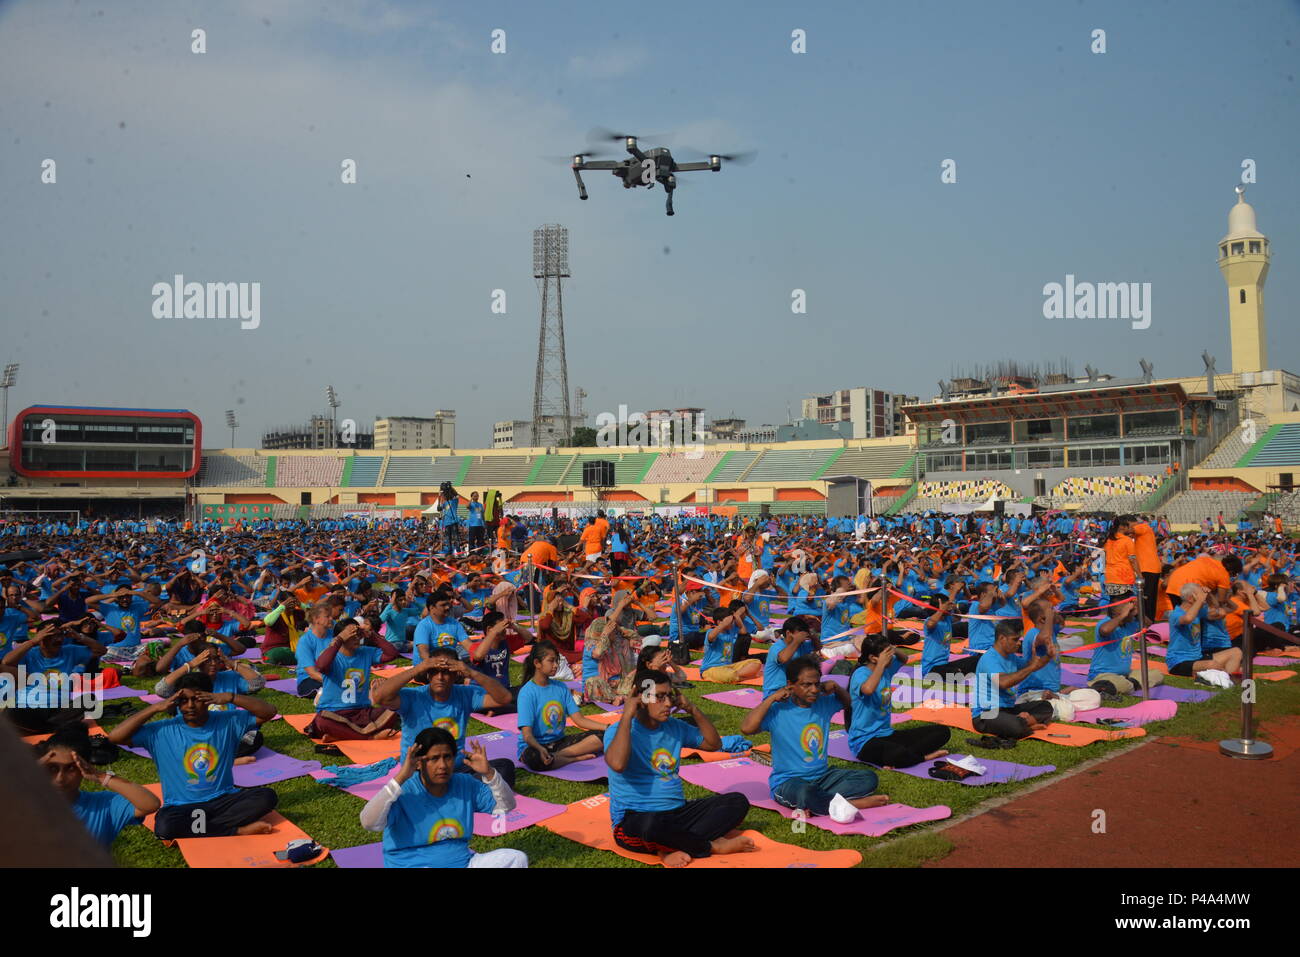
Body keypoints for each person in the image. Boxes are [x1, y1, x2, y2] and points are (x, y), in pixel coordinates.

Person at [604, 669, 753, 867]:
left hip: (677, 813)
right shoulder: (618, 730)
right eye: (659, 697)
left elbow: (714, 745)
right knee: (651, 826)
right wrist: (627, 716)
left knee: (736, 802)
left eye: (669, 696)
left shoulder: (674, 726)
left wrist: (693, 709)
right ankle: (708, 846)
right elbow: (618, 764)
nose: (667, 703)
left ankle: (672, 844)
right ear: (639, 698)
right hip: (636, 818)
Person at [107, 672, 280, 839]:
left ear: (208, 699)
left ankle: (205, 827)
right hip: (182, 806)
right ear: (176, 702)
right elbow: (115, 737)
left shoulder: (228, 720)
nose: (190, 705)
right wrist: (155, 708)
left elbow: (269, 711)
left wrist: (230, 697)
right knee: (165, 828)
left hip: (223, 799)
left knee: (266, 797)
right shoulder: (160, 730)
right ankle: (237, 830)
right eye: (183, 700)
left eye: (196, 699)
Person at [741, 655, 888, 821]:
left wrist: (837, 688)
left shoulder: (822, 703)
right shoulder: (778, 710)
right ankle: (854, 803)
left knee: (868, 778)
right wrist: (771, 698)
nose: (814, 690)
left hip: (823, 777)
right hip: (789, 782)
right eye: (806, 685)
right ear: (790, 685)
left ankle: (822, 802)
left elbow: (849, 703)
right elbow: (747, 728)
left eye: (817, 684)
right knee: (805, 792)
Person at [360, 728, 526, 868]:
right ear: (418, 762)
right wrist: (401, 777)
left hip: (463, 863)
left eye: (447, 757)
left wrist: (489, 773)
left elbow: (505, 806)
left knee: (516, 858)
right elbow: (369, 822)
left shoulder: (464, 784)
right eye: (434, 759)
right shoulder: (403, 791)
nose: (442, 765)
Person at [371, 646, 516, 788]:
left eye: (446, 672)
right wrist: (418, 668)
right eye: (434, 671)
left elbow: (504, 698)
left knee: (505, 767)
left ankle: (451, 788)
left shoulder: (465, 694)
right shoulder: (413, 697)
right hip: (421, 770)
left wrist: (472, 673)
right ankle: (458, 788)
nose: (440, 677)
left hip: (456, 767)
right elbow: (379, 697)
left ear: (456, 675)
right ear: (428, 674)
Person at [33, 724, 160, 848]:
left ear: (85, 768)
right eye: (53, 768)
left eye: (71, 768)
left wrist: (101, 776)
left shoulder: (104, 805)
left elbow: (151, 804)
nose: (60, 778)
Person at [847, 635, 950, 768]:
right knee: (895, 752)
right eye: (887, 654)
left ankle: (901, 757)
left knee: (942, 732)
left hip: (887, 734)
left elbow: (904, 658)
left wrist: (891, 649)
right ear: (873, 658)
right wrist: (881, 664)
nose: (891, 656)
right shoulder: (861, 673)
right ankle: (922, 757)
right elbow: (868, 689)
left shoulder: (885, 670)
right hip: (864, 741)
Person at [516, 641, 606, 770]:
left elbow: (579, 720)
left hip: (559, 743)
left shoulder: (561, 687)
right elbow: (527, 735)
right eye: (551, 661)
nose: (556, 665)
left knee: (605, 736)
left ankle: (557, 757)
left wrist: (608, 727)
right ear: (537, 663)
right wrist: (540, 748)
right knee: (536, 758)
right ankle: (573, 758)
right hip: (534, 746)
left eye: (557, 661)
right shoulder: (527, 693)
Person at [307, 620, 400, 740]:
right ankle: (370, 737)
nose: (356, 638)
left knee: (395, 706)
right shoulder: (330, 654)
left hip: (362, 711)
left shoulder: (365, 651)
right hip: (334, 712)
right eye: (351, 635)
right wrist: (339, 639)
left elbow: (392, 654)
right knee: (322, 721)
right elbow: (321, 666)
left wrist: (372, 635)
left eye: (358, 634)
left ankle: (341, 735)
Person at [969, 620, 1054, 742]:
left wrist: (1048, 656)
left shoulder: (1011, 657)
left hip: (1008, 710)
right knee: (1016, 726)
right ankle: (1024, 723)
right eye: (1015, 639)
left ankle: (1024, 722)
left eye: (1019, 639)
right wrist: (1031, 667)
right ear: (1002, 638)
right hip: (986, 714)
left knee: (1046, 706)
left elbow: (1031, 665)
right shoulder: (989, 659)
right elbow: (1003, 683)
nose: (1019, 643)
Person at [1166, 584, 1240, 686]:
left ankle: (1226, 678)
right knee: (1213, 665)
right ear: (1191, 598)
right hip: (1179, 662)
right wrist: (1200, 600)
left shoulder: (1198, 612)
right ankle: (1224, 679)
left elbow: (1217, 610)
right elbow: (1188, 619)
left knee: (1236, 652)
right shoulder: (1176, 614)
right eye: (1201, 596)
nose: (1204, 599)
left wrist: (1209, 595)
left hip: (1198, 657)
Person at [700, 603, 761, 683]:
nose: (732, 623)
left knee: (756, 662)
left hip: (729, 667)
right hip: (711, 669)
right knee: (729, 675)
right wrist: (724, 624)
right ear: (719, 622)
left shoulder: (730, 631)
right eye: (730, 621)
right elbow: (711, 637)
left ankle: (737, 675)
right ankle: (737, 676)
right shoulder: (711, 631)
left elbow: (743, 631)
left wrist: (737, 616)